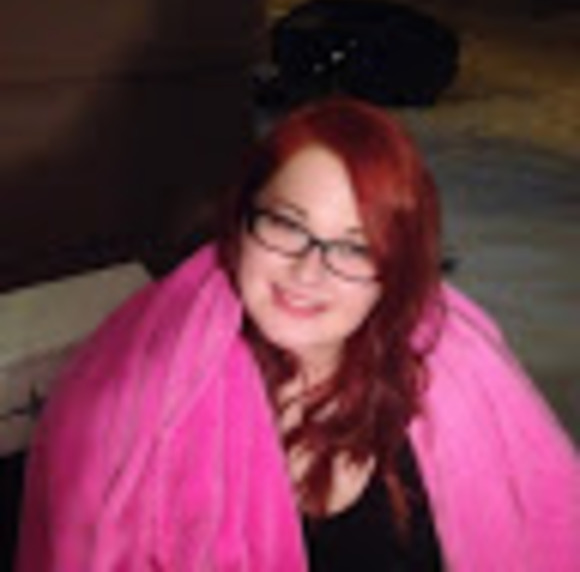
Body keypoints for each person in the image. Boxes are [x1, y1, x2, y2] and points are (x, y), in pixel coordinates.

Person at [16, 97, 578, 571]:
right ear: (240, 221)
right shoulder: (137, 401)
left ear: (399, 269)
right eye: (286, 224)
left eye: (356, 247)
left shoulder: (464, 380)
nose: (308, 273)